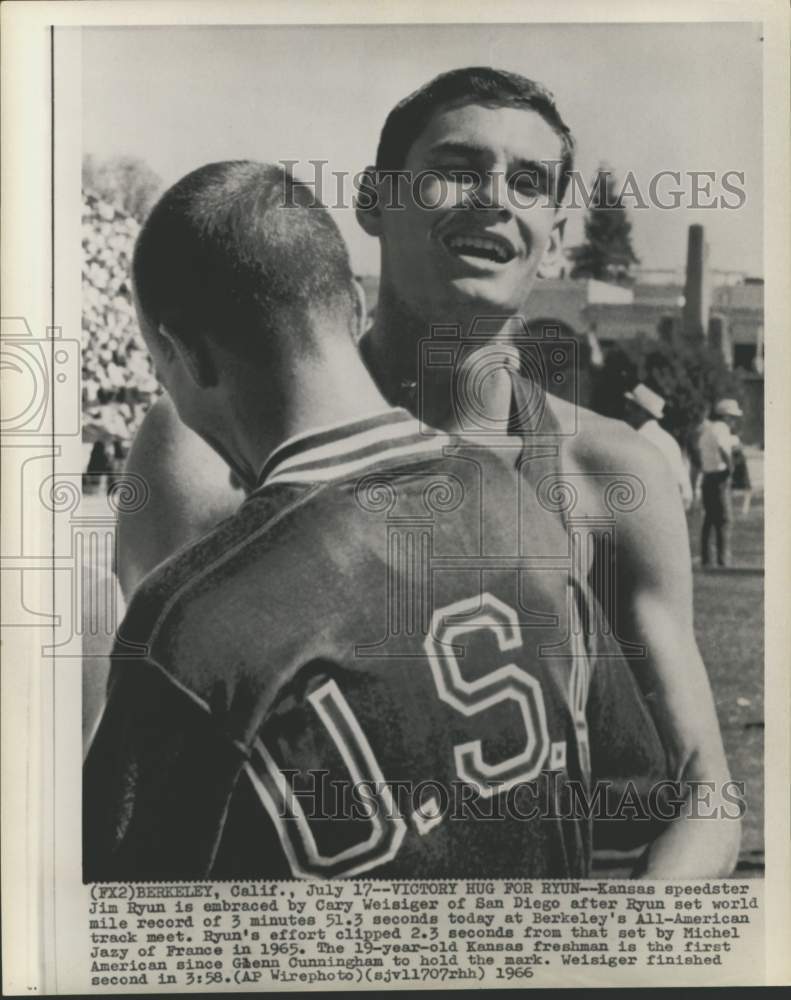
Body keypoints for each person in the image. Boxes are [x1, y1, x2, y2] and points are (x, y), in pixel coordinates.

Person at [113, 68, 739, 876]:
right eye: (456, 169)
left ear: (551, 234)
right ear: (373, 200)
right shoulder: (200, 453)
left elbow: (704, 791)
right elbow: (160, 778)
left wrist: (616, 949)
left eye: (527, 182)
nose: (493, 199)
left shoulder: (606, 472)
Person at [623, 383, 692, 511]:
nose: (626, 410)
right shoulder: (668, 439)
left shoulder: (641, 439)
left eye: (631, 406)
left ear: (642, 412)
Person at [699, 398, 743, 567]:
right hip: (719, 476)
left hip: (708, 476)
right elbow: (724, 449)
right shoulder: (721, 429)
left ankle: (707, 558)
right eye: (732, 417)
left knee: (710, 519)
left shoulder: (707, 429)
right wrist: (731, 469)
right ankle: (723, 561)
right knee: (724, 519)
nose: (734, 421)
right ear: (726, 417)